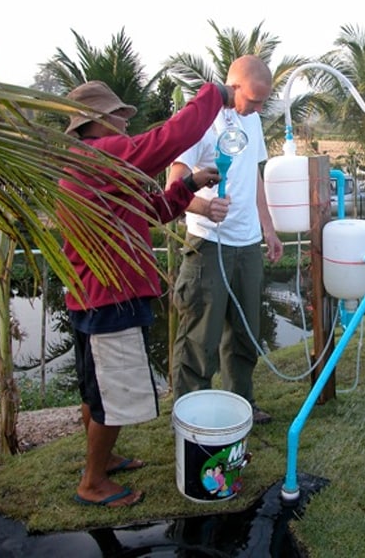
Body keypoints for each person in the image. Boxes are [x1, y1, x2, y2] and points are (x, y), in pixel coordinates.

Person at [59, 79, 234, 507]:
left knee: (93, 390)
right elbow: (171, 136)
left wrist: (187, 185)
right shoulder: (102, 156)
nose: (125, 123)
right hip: (109, 295)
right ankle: (93, 482)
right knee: (112, 396)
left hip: (89, 295)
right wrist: (215, 94)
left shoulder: (86, 161)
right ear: (98, 121)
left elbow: (148, 211)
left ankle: (105, 459)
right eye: (120, 115)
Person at [167, 55, 283, 425]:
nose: (259, 108)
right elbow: (174, 185)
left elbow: (256, 177)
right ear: (233, 87)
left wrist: (268, 228)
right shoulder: (200, 122)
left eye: (264, 102)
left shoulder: (253, 120)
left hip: (247, 245)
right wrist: (202, 206)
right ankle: (191, 418)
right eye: (254, 100)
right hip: (208, 246)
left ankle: (242, 405)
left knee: (245, 333)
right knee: (201, 337)